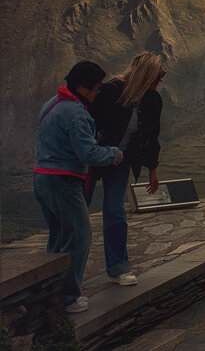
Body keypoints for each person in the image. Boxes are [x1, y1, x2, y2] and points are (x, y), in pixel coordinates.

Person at [33, 61, 123, 314]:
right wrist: (114, 154)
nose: (97, 93)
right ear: (83, 87)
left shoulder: (51, 104)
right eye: (96, 88)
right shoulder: (77, 113)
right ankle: (69, 297)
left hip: (42, 179)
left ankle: (51, 293)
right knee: (79, 238)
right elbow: (88, 154)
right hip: (64, 182)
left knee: (58, 238)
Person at [86, 51, 165, 287]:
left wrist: (152, 170)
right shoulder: (109, 92)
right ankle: (66, 271)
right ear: (145, 75)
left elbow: (151, 136)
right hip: (92, 159)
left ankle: (119, 267)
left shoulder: (152, 100)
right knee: (78, 212)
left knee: (115, 211)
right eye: (157, 76)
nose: (160, 81)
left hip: (121, 161)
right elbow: (89, 125)